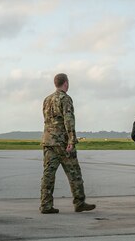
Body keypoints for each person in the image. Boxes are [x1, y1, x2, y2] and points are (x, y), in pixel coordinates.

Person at [39, 73, 96, 214]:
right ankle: (79, 202)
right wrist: (71, 139)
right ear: (65, 83)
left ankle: (45, 205)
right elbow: (68, 120)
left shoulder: (47, 99)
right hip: (62, 142)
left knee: (48, 174)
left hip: (48, 141)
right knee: (74, 173)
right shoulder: (65, 99)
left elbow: (46, 120)